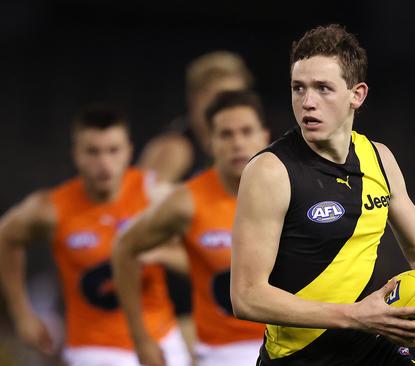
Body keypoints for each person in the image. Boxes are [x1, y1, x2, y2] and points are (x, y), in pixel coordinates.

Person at [230, 24, 415, 365]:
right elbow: (247, 297)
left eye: (323, 88)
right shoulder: (270, 171)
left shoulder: (379, 159)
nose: (307, 102)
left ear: (357, 94)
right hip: (299, 356)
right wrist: (354, 315)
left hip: (369, 343)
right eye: (298, 88)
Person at [0, 105, 190, 366]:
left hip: (162, 338)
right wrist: (22, 314)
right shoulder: (52, 208)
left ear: (128, 152)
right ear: (76, 155)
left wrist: (160, 253)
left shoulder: (154, 196)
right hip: (95, 348)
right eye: (93, 152)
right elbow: (6, 236)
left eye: (113, 150)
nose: (104, 163)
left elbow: (196, 259)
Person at [113, 90, 270, 366]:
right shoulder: (187, 201)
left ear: (264, 136)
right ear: (210, 142)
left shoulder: (292, 192)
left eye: (246, 132)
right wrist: (140, 338)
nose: (238, 143)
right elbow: (124, 247)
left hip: (289, 346)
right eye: (226, 134)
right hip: (222, 353)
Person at [139, 51, 255, 182]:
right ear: (195, 99)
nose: (231, 110)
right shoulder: (175, 150)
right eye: (220, 101)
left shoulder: (248, 147)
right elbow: (142, 201)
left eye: (237, 100)